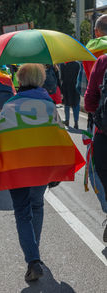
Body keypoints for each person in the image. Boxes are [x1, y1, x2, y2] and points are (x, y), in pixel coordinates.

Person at [7, 64, 49, 282]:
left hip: (18, 166)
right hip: (41, 165)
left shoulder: (11, 104)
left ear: (20, 80)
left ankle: (33, 259)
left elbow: (2, 137)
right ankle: (35, 252)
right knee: (37, 205)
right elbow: (58, 138)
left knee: (22, 211)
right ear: (40, 80)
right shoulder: (49, 104)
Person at [84, 14, 107, 242]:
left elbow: (89, 102)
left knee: (96, 172)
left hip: (103, 131)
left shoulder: (98, 59)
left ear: (98, 31)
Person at [60, 61, 81, 129]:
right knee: (76, 105)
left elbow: (62, 77)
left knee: (67, 104)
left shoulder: (63, 64)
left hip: (66, 86)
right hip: (75, 87)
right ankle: (76, 122)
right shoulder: (77, 64)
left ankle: (67, 120)